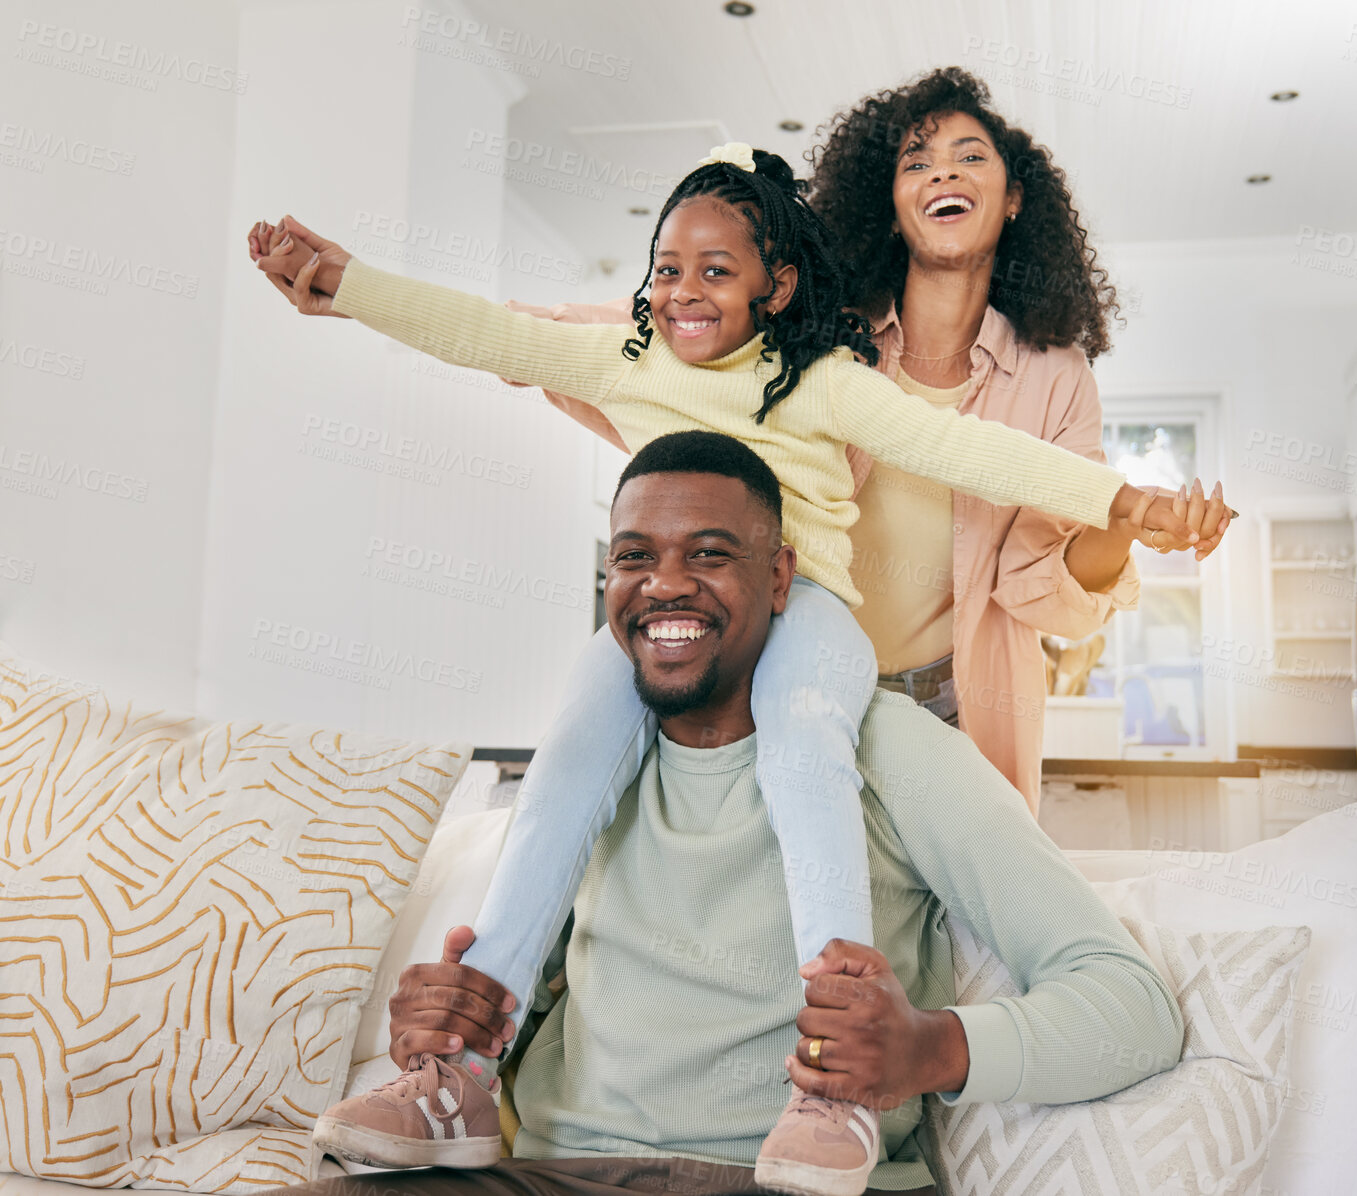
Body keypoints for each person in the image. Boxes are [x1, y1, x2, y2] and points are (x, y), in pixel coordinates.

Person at [251, 145, 1195, 1193]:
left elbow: (969, 451)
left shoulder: (828, 386)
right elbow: (493, 335)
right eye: (666, 268)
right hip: (557, 1158)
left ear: (774, 284)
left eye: (715, 269)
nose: (684, 289)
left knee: (803, 741)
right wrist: (347, 288)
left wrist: (1122, 503)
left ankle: (831, 1076)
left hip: (818, 613)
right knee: (567, 752)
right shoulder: (628, 361)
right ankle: (461, 1065)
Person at [285, 432, 1184, 1196]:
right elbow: (533, 1000)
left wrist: (929, 1051)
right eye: (633, 556)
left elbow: (1134, 1006)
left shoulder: (893, 749)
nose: (663, 585)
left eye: (709, 554)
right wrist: (451, 1024)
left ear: (781, 576)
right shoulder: (588, 772)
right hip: (555, 1175)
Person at [476, 67, 1236, 812]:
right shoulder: (817, 329)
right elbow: (663, 320)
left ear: (1011, 201)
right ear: (892, 205)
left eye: (970, 157)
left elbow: (1041, 587)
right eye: (917, 162)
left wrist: (1125, 523)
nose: (944, 173)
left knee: (953, 925)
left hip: (954, 701)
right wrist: (514, 338)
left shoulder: (1055, 376)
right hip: (783, 671)